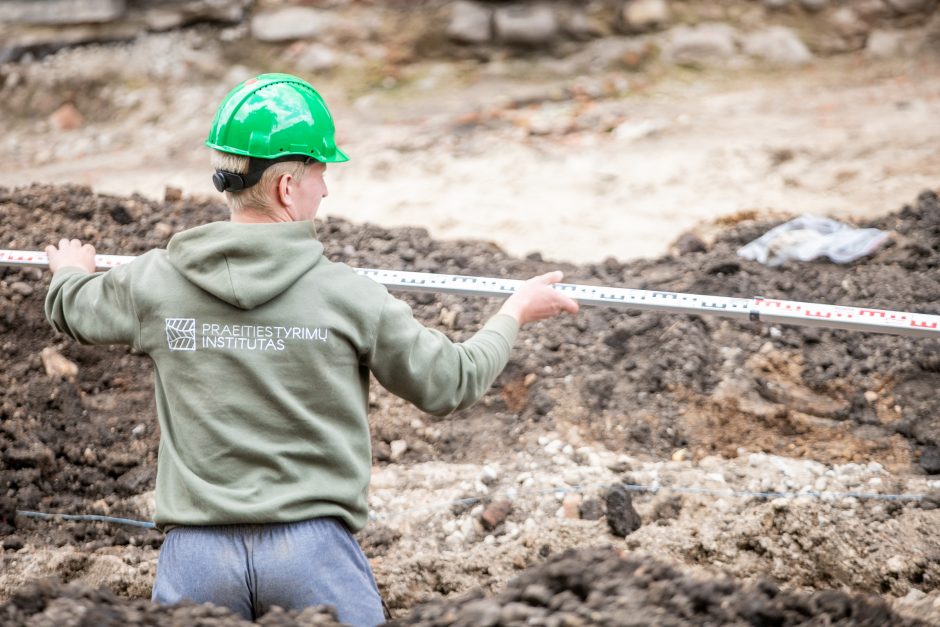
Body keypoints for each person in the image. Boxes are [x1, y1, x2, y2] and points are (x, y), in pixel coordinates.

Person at [44, 73, 579, 625]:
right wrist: (513, 312)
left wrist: (67, 273)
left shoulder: (153, 282)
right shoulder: (348, 295)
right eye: (321, 173)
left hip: (195, 561)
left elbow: (73, 311)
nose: (325, 189)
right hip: (314, 558)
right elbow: (451, 382)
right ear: (285, 187)